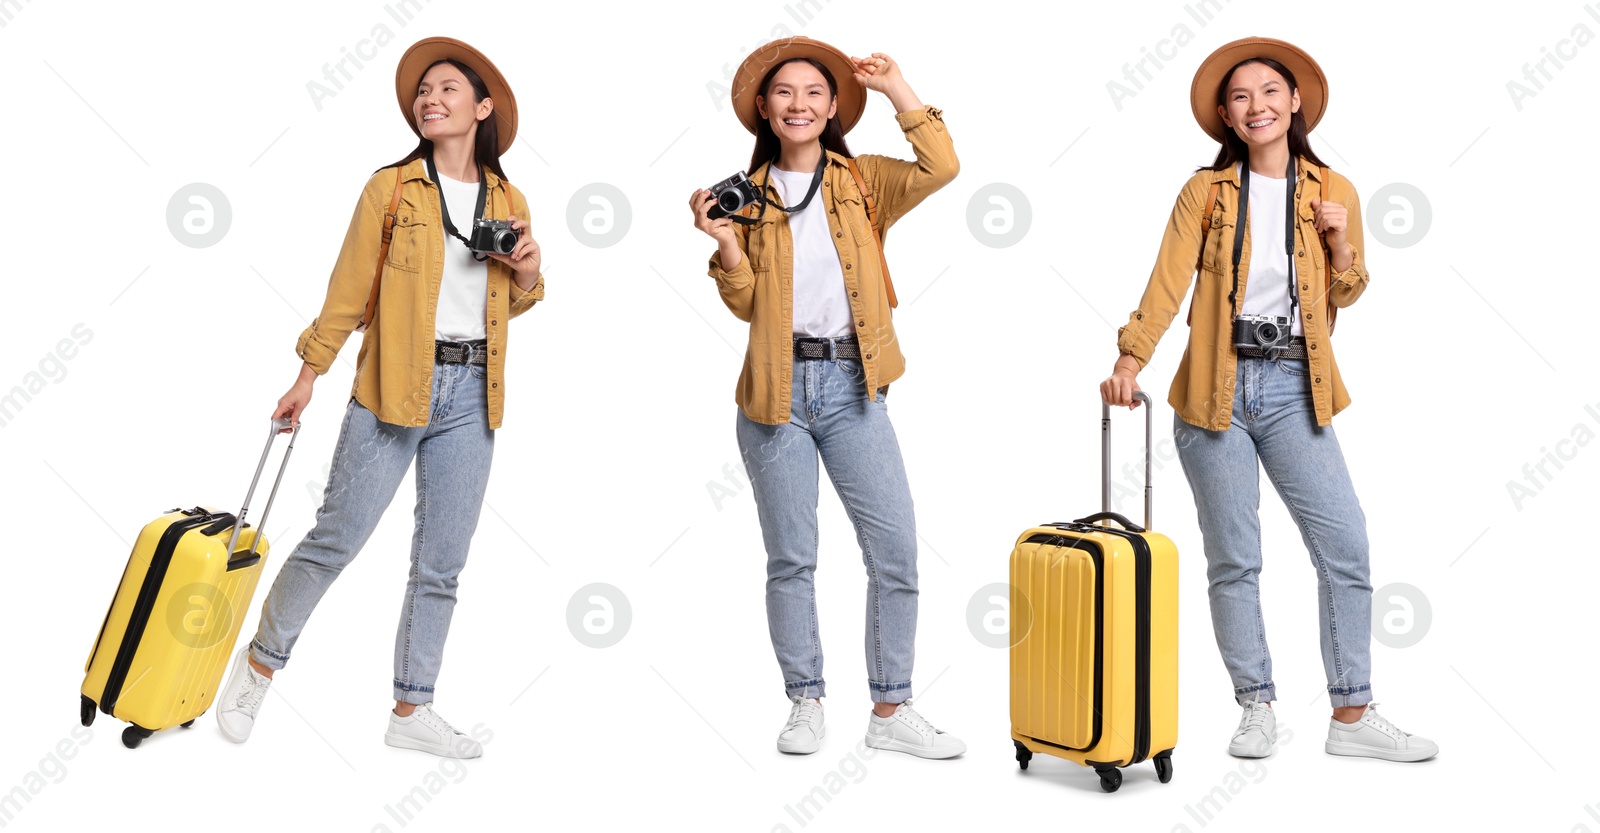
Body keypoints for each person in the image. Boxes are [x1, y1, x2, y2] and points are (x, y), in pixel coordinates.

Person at [1100, 37, 1437, 763]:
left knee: (1345, 546)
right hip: (1212, 388)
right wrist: (1130, 358)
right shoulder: (1205, 190)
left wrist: (1342, 246)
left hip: (1295, 387)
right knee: (1234, 559)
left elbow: (1351, 289)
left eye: (1269, 92)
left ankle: (1351, 713)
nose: (1257, 106)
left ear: (1295, 104)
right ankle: (1255, 705)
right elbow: (1166, 283)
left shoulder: (1333, 188)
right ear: (1226, 114)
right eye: (1241, 97)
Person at [215, 36, 545, 759]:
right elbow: (348, 292)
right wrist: (310, 371)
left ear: (482, 108)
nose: (431, 98)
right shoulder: (391, 188)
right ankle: (259, 666)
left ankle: (411, 707)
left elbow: (513, 299)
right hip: (392, 384)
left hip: (473, 394)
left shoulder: (509, 199)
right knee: (337, 537)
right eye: (423, 91)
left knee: (442, 561)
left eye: (448, 89)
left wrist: (526, 269)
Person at [689, 37, 963, 760]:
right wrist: (726, 244)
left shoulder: (865, 180)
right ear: (763, 109)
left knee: (896, 552)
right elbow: (745, 304)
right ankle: (805, 700)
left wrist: (900, 87)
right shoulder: (742, 198)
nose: (800, 103)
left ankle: (891, 705)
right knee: (792, 558)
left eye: (814, 92)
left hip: (854, 386)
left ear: (835, 106)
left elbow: (944, 166)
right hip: (774, 394)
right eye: (784, 93)